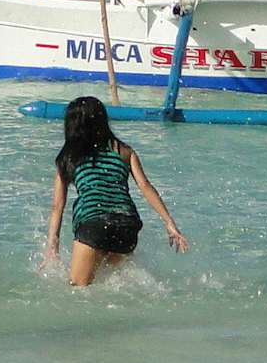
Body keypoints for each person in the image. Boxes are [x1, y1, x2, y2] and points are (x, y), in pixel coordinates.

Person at [46, 95, 188, 286]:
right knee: (110, 283)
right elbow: (145, 186)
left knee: (78, 289)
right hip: (127, 226)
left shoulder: (68, 157)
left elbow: (57, 206)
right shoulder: (124, 151)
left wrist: (52, 248)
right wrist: (169, 223)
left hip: (94, 224)